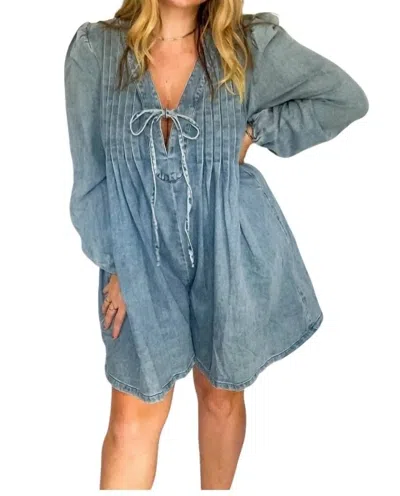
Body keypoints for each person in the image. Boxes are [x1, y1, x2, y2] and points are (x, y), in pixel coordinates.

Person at [64, 0, 369, 489]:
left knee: (221, 396)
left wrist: (255, 131)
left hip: (228, 242)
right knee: (132, 415)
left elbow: (343, 98)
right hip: (137, 252)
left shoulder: (246, 49)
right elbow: (90, 176)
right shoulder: (96, 51)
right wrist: (118, 262)